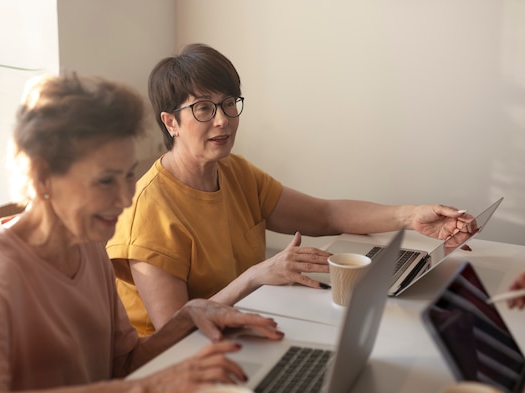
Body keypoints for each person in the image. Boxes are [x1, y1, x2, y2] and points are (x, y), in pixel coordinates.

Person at [0, 73, 284, 393]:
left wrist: (188, 316)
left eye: (128, 175)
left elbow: (122, 365)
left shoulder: (88, 246)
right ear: (42, 176)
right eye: (105, 181)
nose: (124, 198)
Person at [106, 43, 477, 337]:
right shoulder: (149, 210)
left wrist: (410, 216)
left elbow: (326, 215)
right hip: (181, 358)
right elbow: (174, 328)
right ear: (170, 122)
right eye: (203, 108)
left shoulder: (235, 172)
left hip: (245, 323)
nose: (222, 120)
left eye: (229, 104)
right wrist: (255, 275)